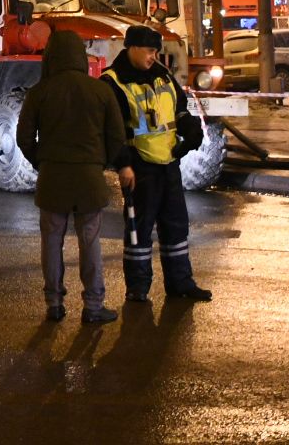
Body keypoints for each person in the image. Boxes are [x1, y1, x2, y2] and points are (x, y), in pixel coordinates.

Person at [18, 29, 128, 325]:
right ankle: (93, 305)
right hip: (89, 177)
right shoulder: (100, 91)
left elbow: (24, 138)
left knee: (52, 241)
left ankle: (54, 303)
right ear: (81, 55)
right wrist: (98, 162)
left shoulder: (40, 92)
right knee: (90, 240)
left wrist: (42, 162)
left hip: (53, 176)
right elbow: (118, 137)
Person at [103, 24, 212, 304]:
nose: (154, 56)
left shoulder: (162, 75)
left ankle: (180, 283)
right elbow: (112, 131)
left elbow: (178, 107)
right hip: (140, 167)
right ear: (132, 48)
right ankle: (138, 287)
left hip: (169, 163)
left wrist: (191, 130)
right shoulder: (112, 82)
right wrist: (124, 165)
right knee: (139, 229)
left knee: (176, 227)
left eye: (156, 51)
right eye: (150, 51)